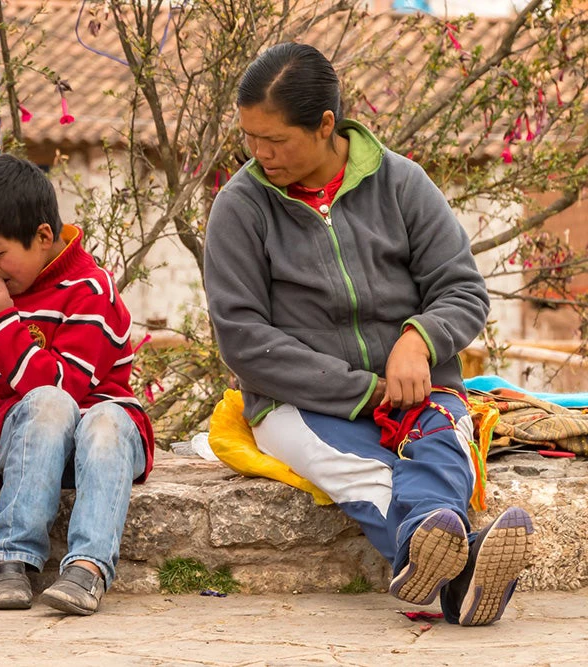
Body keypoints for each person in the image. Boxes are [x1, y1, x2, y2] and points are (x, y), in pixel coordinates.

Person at [203, 42, 534, 626]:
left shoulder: (403, 183)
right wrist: (367, 390)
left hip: (422, 388)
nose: (258, 153)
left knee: (442, 445)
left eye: (274, 139)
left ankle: (444, 578)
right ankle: (458, 571)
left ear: (326, 125)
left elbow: (463, 291)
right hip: (301, 402)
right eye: (250, 137)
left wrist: (419, 340)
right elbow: (242, 336)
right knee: (360, 469)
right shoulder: (240, 207)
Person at [0, 154, 155, 616]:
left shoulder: (91, 291)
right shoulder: (5, 295)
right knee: (45, 406)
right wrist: (2, 320)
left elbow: (67, 386)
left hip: (101, 440)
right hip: (33, 445)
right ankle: (11, 561)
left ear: (43, 237)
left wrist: (3, 325)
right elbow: (24, 397)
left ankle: (87, 567)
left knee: (98, 415)